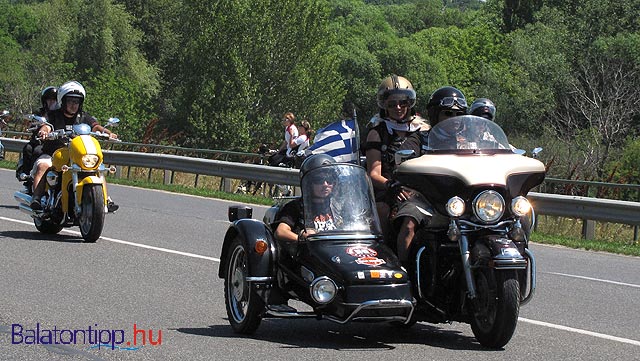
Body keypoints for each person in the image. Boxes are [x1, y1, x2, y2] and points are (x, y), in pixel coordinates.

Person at [363, 75, 430, 264]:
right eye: (392, 104)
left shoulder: (423, 132)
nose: (398, 108)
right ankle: (394, 266)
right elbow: (374, 173)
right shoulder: (378, 132)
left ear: (410, 102)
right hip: (388, 190)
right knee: (385, 213)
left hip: (419, 192)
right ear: (384, 105)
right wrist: (393, 186)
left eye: (402, 102)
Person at [30, 80, 118, 211]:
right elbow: (47, 125)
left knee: (97, 167)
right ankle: (36, 199)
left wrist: (107, 132)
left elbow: (95, 126)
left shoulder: (84, 116)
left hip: (76, 154)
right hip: (54, 153)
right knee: (43, 165)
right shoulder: (54, 115)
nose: (73, 105)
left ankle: (105, 199)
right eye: (70, 101)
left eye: (76, 101)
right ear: (63, 101)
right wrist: (44, 131)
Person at [273, 154, 338, 245]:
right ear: (309, 183)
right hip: (308, 254)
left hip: (336, 251)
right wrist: (301, 237)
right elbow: (280, 232)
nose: (325, 184)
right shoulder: (295, 207)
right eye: (319, 180)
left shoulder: (337, 208)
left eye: (330, 180)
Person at [16, 86, 59, 181]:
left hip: (57, 142)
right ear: (45, 101)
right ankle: (28, 175)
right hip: (39, 141)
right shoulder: (40, 113)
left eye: (54, 100)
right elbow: (31, 123)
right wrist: (39, 127)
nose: (52, 102)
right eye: (49, 99)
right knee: (30, 149)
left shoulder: (60, 114)